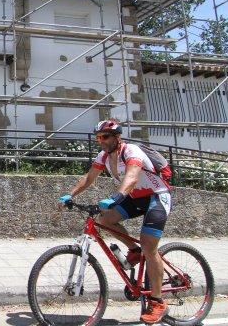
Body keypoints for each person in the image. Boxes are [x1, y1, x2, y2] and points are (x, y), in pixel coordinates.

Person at [57, 118, 172, 324]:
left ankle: (158, 301)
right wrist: (70, 194)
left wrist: (116, 197)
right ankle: (134, 250)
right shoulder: (104, 155)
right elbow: (89, 178)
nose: (101, 140)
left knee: (149, 245)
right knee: (104, 219)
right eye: (98, 137)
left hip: (156, 196)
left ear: (117, 137)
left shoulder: (132, 151)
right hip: (135, 197)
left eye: (105, 136)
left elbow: (132, 178)